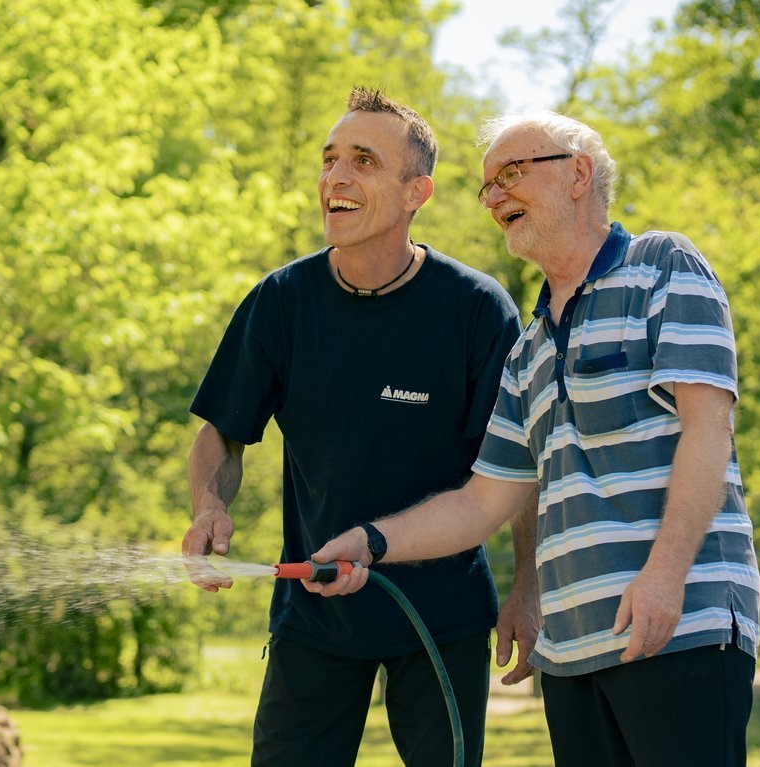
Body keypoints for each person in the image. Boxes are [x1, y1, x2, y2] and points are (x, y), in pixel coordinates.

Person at [308, 112, 760, 767]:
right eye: (486, 186)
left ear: (578, 174)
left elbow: (707, 428)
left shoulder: (662, 265)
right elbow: (480, 502)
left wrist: (663, 577)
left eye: (510, 175)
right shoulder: (528, 349)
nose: (493, 198)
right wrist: (371, 542)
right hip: (572, 653)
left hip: (679, 629)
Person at [181, 87, 533, 767]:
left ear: (415, 193)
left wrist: (527, 585)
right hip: (313, 616)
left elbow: (517, 470)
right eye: (329, 159)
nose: (335, 177)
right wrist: (208, 505)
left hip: (442, 618)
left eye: (363, 161)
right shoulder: (280, 302)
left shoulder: (477, 310)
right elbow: (221, 433)